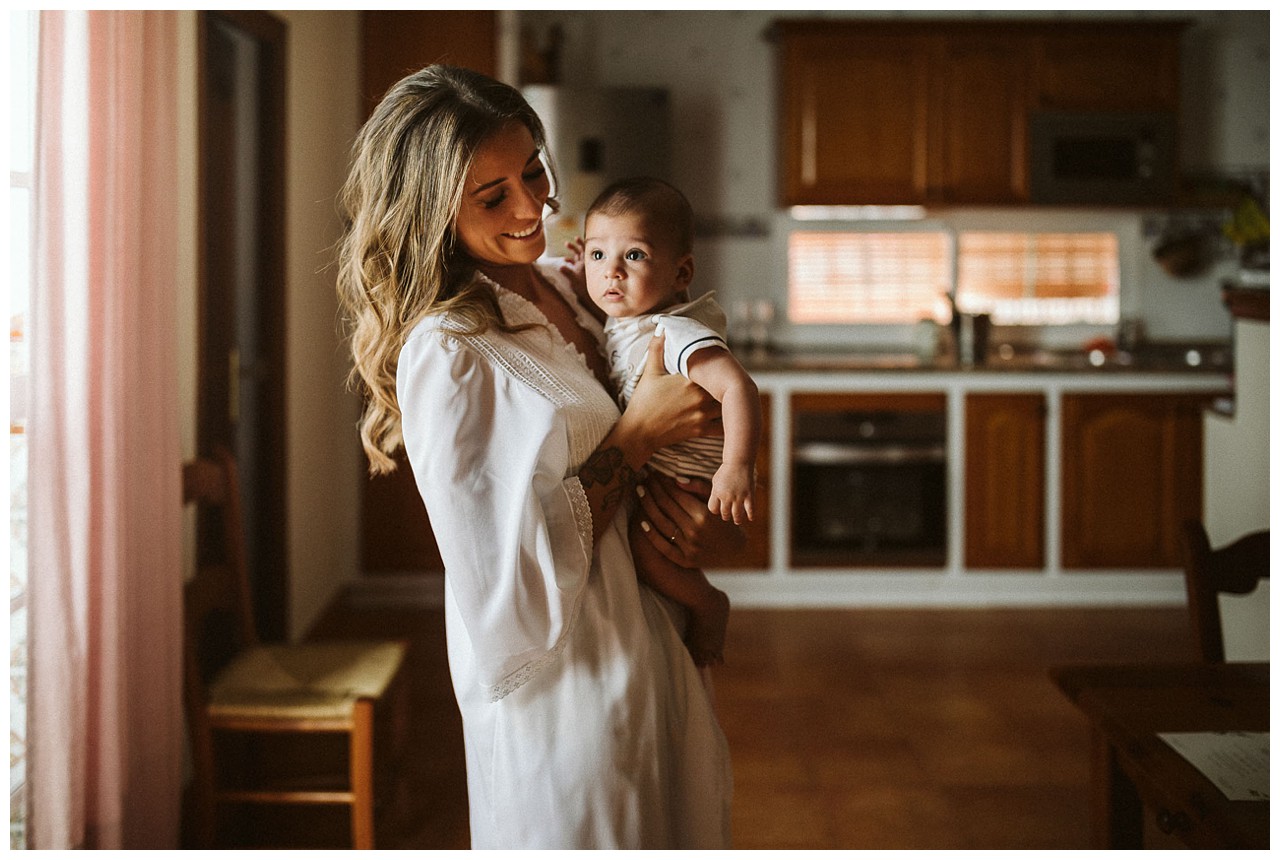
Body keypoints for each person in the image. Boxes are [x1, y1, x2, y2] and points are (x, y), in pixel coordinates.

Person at [335, 65, 734, 849]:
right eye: (493, 197)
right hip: (568, 690)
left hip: (652, 646)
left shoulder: (572, 286)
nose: (532, 207)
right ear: (430, 213)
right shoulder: (451, 352)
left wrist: (706, 540)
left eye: (533, 171)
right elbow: (504, 575)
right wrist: (636, 437)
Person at [572, 177, 761, 667]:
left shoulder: (674, 332)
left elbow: (738, 387)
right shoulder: (625, 319)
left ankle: (707, 603)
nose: (611, 272)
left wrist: (735, 468)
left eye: (633, 256)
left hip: (690, 480)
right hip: (659, 471)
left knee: (643, 546)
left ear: (682, 273)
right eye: (597, 256)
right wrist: (591, 265)